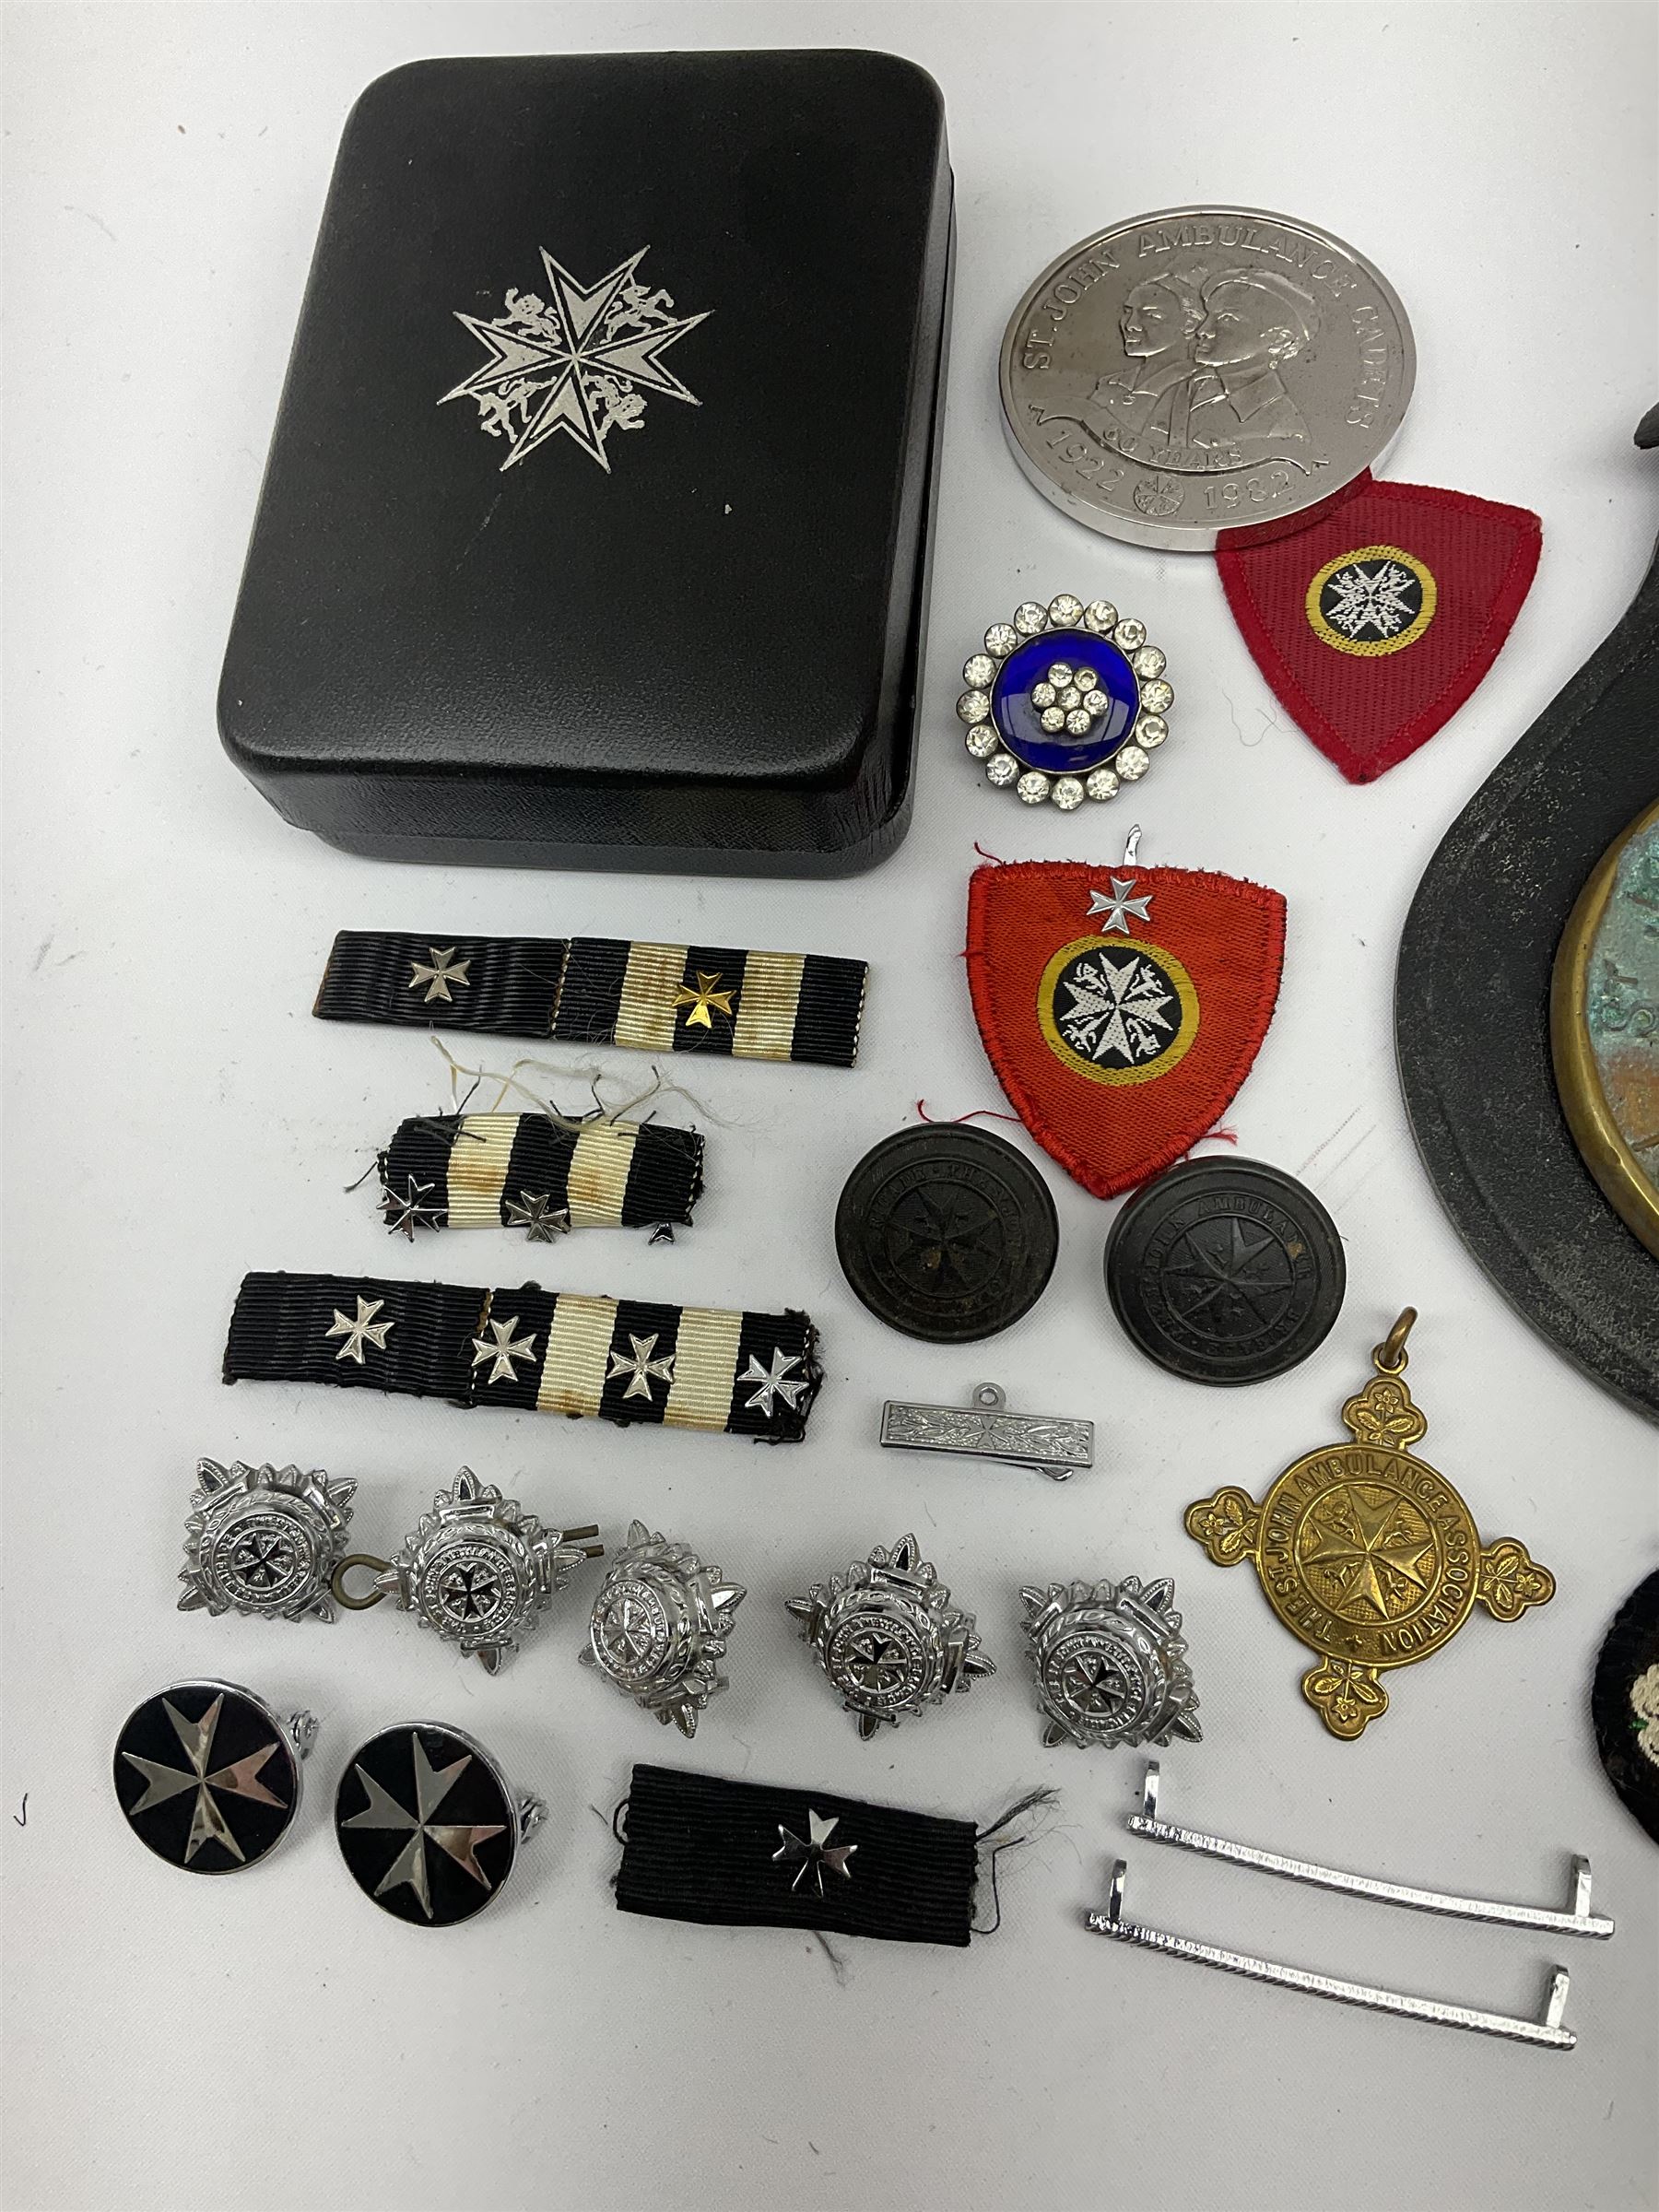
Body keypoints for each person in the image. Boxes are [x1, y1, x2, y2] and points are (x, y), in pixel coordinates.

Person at [1186, 268, 1319, 450]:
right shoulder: (1197, 386)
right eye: (1209, 316)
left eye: (1226, 318)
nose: (1202, 331)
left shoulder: (1282, 430)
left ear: (1280, 339)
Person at [1080, 269, 1206, 457]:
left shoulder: (1205, 388)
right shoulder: (1110, 385)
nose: (1130, 325)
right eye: (1128, 312)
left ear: (1189, 325)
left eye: (1151, 315)